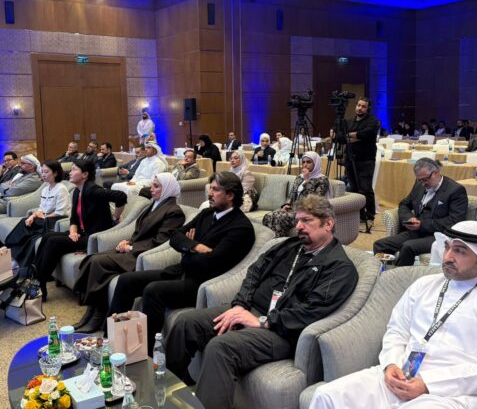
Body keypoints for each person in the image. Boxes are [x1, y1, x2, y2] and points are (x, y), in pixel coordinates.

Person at [310, 221, 477, 409]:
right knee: (327, 396)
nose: (448, 257)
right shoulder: (424, 285)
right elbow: (397, 330)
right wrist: (391, 364)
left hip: (452, 393)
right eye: (447, 247)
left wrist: (428, 384)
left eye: (460, 251)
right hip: (400, 376)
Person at [167, 195, 358, 409]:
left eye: (306, 220)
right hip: (251, 310)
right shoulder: (289, 246)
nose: (298, 226)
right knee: (185, 323)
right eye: (297, 220)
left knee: (220, 347)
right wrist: (240, 305)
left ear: (328, 224)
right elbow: (254, 273)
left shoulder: (339, 267)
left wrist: (263, 322)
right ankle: (171, 395)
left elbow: (311, 311)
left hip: (281, 331)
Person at [108, 171, 256, 353]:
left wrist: (187, 251)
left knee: (153, 290)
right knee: (126, 280)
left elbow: (211, 263)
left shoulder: (240, 227)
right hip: (180, 272)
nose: (210, 193)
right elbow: (175, 236)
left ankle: (146, 353)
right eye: (210, 188)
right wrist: (196, 247)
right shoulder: (207, 213)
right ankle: (110, 342)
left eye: (216, 190)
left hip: (201, 283)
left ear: (230, 195)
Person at [72, 173, 186, 333]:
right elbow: (139, 232)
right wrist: (128, 241)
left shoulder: (174, 211)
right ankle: (91, 311)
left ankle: (98, 315)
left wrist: (132, 248)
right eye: (152, 185)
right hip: (132, 249)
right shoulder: (154, 204)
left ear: (167, 188)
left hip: (140, 255)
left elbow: (160, 241)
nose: (151, 189)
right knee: (92, 258)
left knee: (98, 263)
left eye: (156, 186)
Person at [34, 160, 127, 300]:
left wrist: (116, 217)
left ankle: (39, 284)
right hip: (81, 233)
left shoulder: (93, 190)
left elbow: (121, 197)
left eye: (74, 170)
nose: (70, 173)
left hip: (93, 236)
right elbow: (74, 219)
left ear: (84, 174)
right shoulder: (78, 191)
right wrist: (73, 232)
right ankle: (36, 278)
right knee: (48, 236)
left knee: (53, 242)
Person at [373, 158, 468, 266]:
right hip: (417, 232)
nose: (423, 184)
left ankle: (400, 274)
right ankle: (386, 269)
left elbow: (455, 221)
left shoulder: (455, 190)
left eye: (425, 180)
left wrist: (422, 225)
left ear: (436, 173)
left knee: (408, 247)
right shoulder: (419, 185)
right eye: (419, 180)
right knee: (380, 245)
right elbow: (404, 204)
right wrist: (408, 218)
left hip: (439, 235)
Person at [4, 160, 71, 268]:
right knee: (26, 223)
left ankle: (9, 252)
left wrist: (44, 216)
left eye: (46, 172)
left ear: (55, 173)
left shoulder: (61, 189)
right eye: (42, 172)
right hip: (43, 219)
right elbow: (41, 208)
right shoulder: (45, 189)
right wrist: (33, 216)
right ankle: (11, 253)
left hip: (55, 221)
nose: (43, 174)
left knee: (28, 230)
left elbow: (61, 212)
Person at [263, 151, 330, 237]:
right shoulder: (299, 177)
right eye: (303, 162)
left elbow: (314, 200)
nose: (305, 165)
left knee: (279, 219)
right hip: (293, 209)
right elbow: (292, 194)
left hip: (308, 212)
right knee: (268, 217)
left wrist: (307, 180)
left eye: (308, 162)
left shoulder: (322, 180)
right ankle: (273, 242)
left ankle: (282, 243)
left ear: (316, 163)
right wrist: (287, 205)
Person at [339, 97, 379, 223]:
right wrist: (357, 136)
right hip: (350, 159)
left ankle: (370, 215)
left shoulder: (373, 121)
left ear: (368, 108)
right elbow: (340, 137)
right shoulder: (348, 121)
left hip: (366, 160)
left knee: (365, 188)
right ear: (356, 106)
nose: (360, 108)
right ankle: (359, 214)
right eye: (359, 105)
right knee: (354, 188)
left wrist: (350, 135)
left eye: (363, 106)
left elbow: (366, 134)